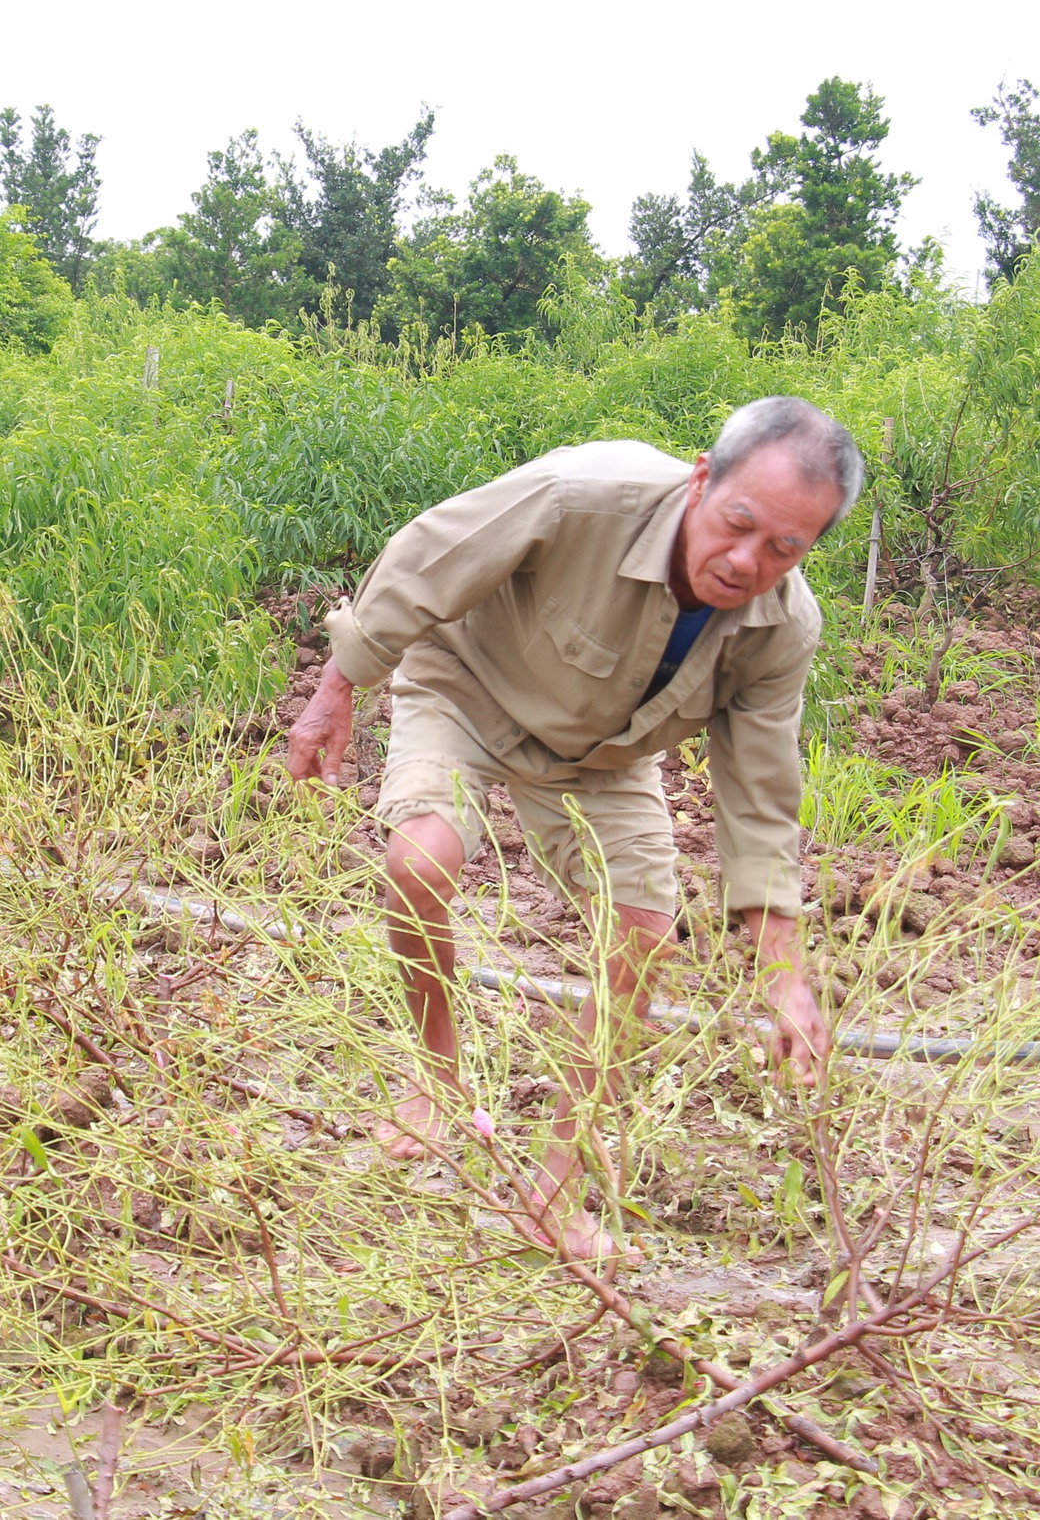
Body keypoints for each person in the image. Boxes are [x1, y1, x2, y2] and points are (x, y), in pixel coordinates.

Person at [286, 396, 861, 1259]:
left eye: (785, 547)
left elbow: (760, 788)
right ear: (702, 479)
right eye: (738, 524)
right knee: (421, 862)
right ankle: (437, 1075)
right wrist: (337, 687)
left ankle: (557, 1193)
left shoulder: (782, 628)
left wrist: (783, 973)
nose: (748, 561)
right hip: (468, 688)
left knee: (642, 938)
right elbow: (430, 557)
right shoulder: (583, 494)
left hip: (605, 754)